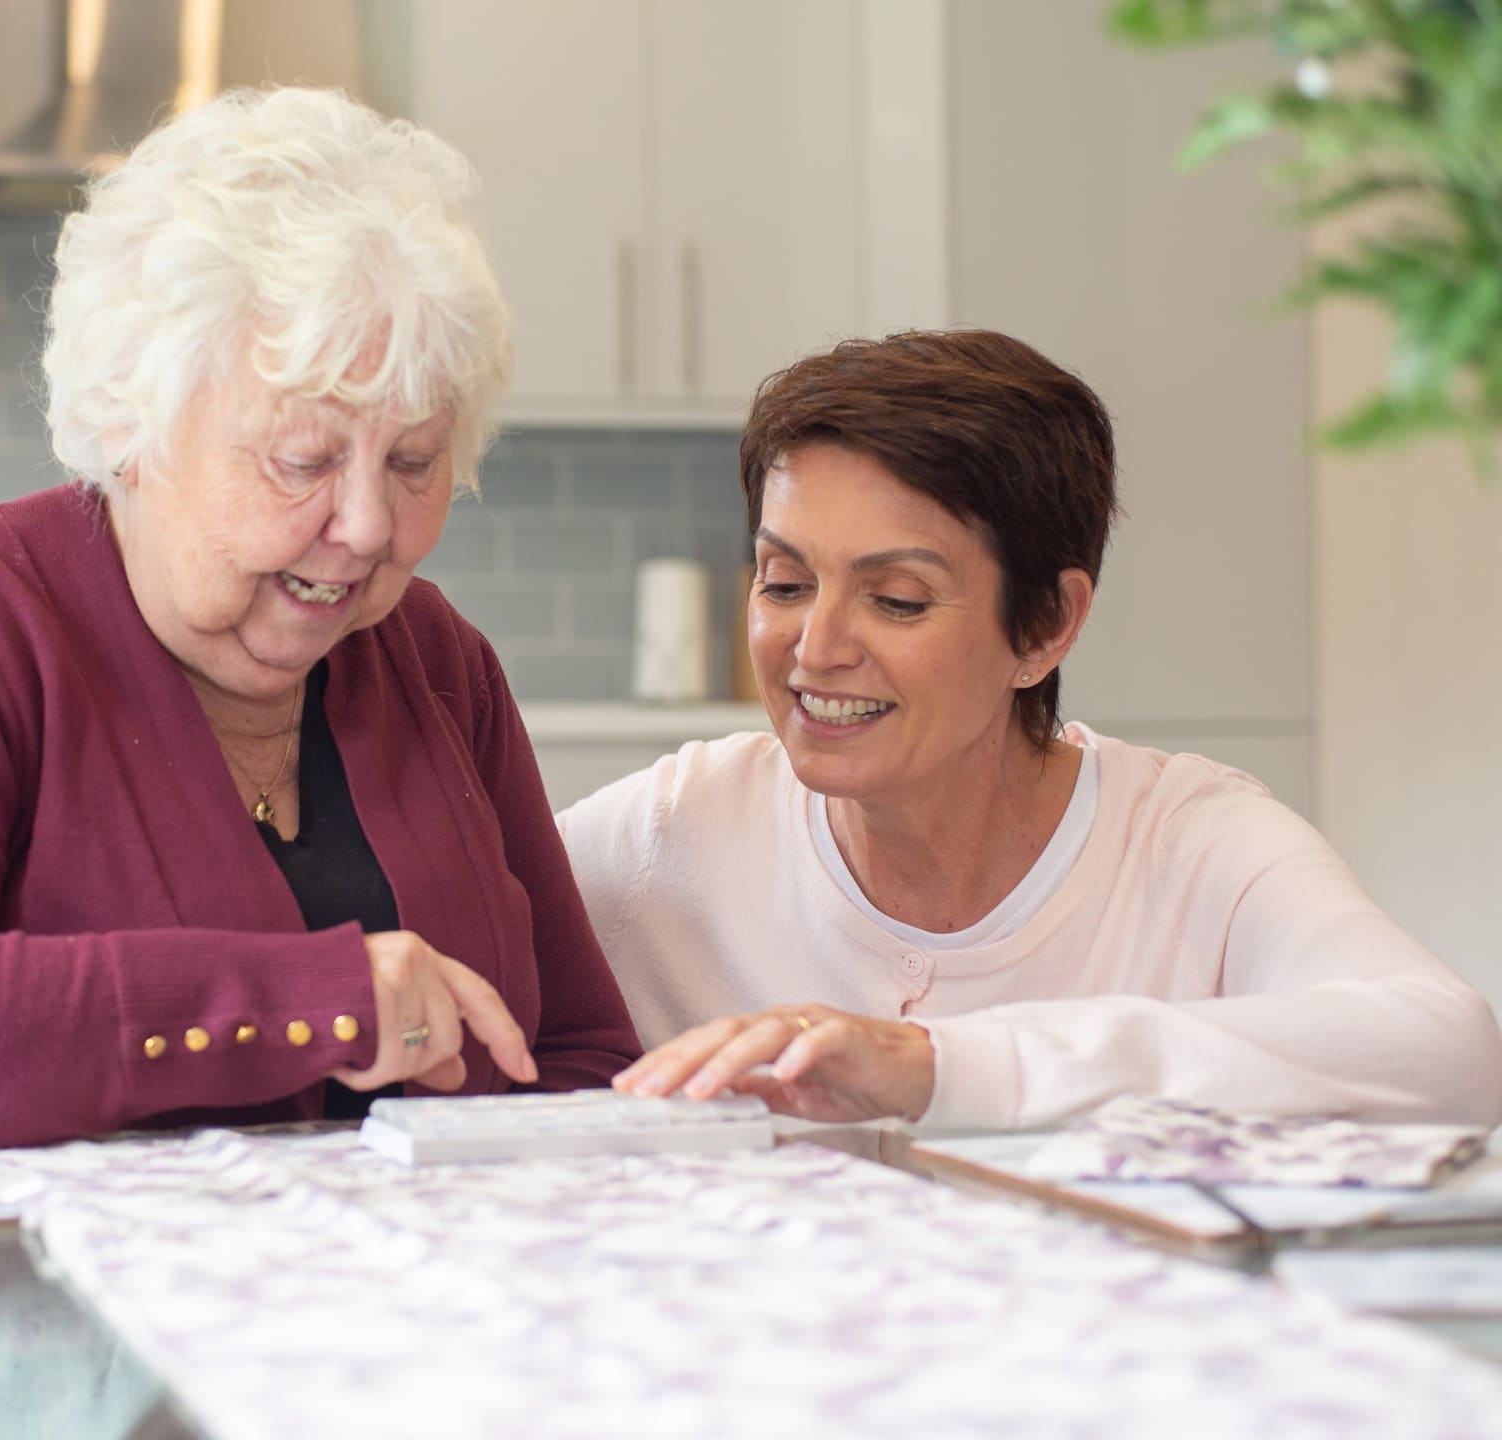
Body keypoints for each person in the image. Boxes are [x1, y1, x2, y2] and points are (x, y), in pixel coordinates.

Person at [0, 87, 639, 1149]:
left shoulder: (437, 662)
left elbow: (580, 1058)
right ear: (128, 424)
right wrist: (299, 999)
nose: (372, 524)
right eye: (305, 460)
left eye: (414, 462)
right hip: (38, 1308)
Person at [560, 329, 1502, 1132]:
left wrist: (939, 1067)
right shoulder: (672, 834)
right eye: (784, 582)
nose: (816, 646)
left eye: (896, 599)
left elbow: (1451, 1053)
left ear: (1047, 627)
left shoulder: (1185, 841)